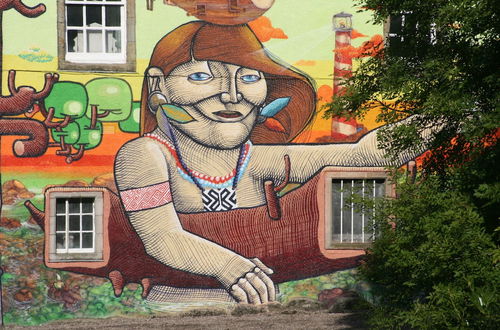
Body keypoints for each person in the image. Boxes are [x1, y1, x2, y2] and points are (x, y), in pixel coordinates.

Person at [114, 21, 424, 305]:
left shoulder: (256, 160)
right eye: (201, 76)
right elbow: (161, 237)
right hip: (176, 305)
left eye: (248, 77)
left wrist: (453, 115)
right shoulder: (143, 155)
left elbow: (362, 155)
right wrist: (230, 267)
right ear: (158, 87)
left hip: (262, 310)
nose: (231, 96)